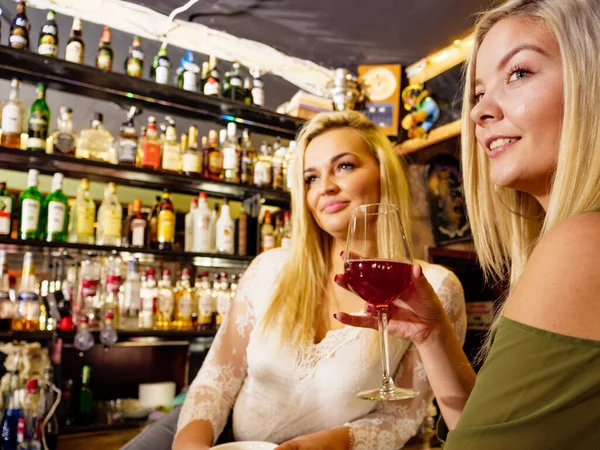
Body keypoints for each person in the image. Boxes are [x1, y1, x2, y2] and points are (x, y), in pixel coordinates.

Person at [336, 0, 600, 448]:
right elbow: (489, 431)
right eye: (477, 94)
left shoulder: (581, 242)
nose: (479, 112)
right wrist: (433, 334)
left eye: (519, 73)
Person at [173, 111, 466, 450]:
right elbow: (214, 383)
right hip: (217, 439)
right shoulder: (268, 269)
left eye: (344, 166)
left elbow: (400, 417)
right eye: (310, 178)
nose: (325, 187)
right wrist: (191, 446)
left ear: (384, 174)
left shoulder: (432, 288)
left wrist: (321, 444)